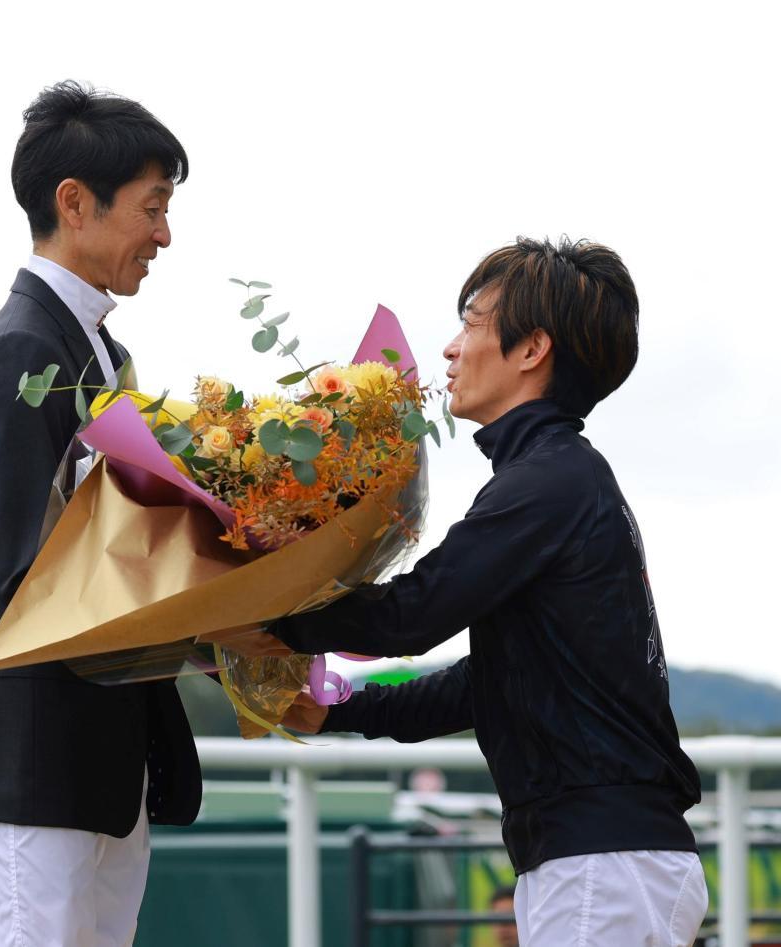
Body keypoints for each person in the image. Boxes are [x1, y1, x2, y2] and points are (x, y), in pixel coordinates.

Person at [269, 238, 709, 945]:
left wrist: (258, 610)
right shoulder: (562, 478)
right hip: (606, 861)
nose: (450, 349)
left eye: (471, 322)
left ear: (532, 348)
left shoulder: (546, 484)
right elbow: (489, 681)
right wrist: (337, 711)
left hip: (602, 867)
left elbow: (413, 614)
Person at [0, 81, 199, 946]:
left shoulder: (101, 350)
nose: (164, 235)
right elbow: (21, 579)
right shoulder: (20, 354)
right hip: (41, 764)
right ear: (74, 203)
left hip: (106, 766)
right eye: (152, 208)